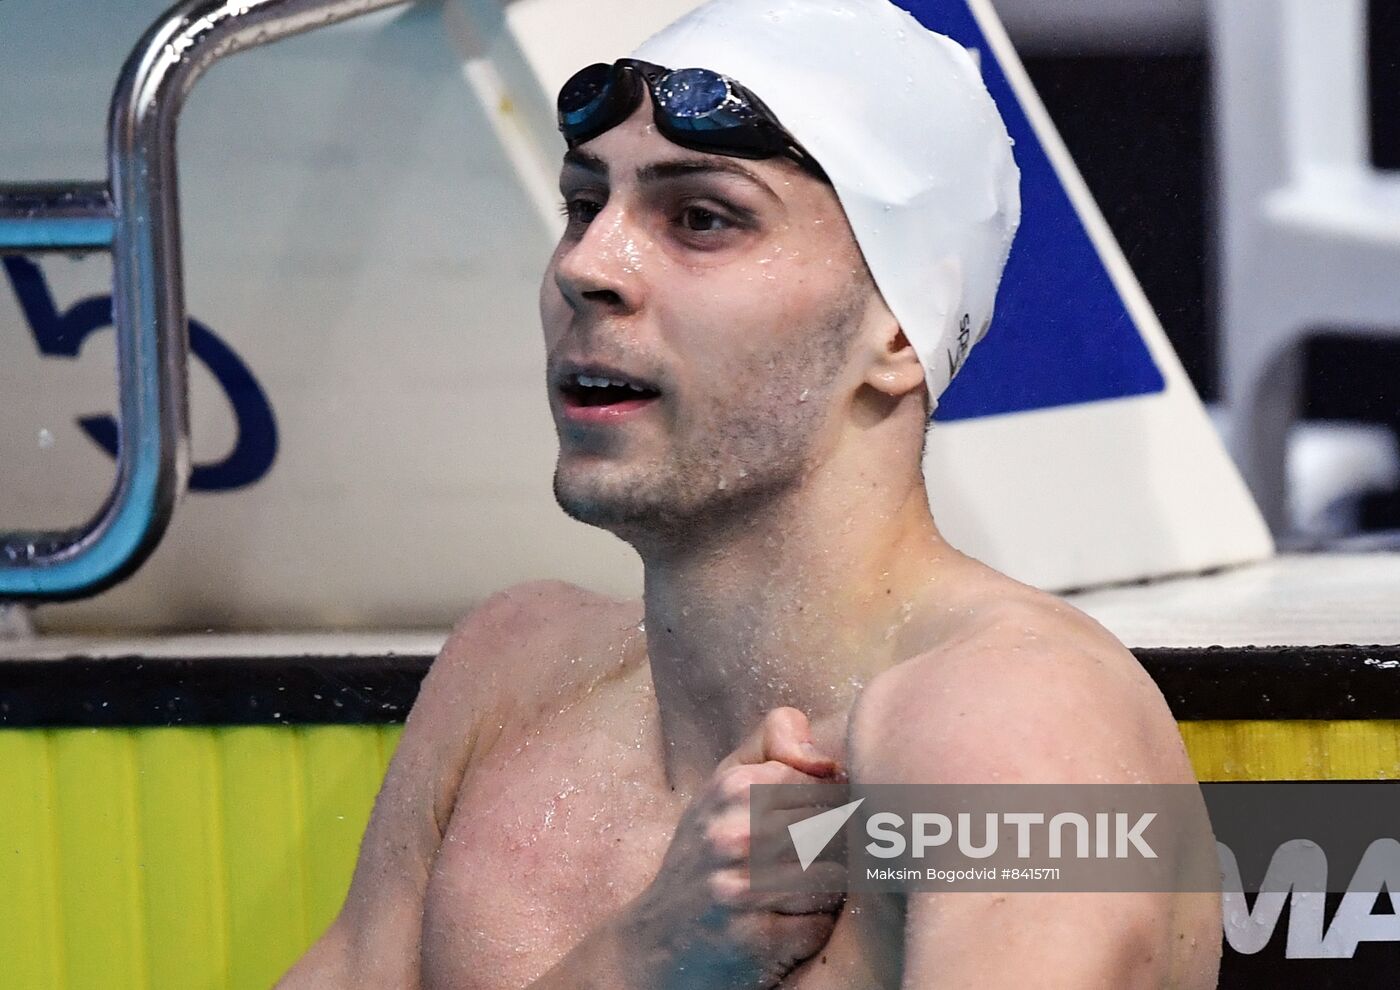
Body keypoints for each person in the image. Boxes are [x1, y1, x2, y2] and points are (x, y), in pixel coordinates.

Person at [280, 0, 1221, 985]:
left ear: (897, 330)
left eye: (699, 218)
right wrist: (641, 962)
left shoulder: (1013, 728)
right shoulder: (509, 676)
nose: (587, 267)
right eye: (583, 203)